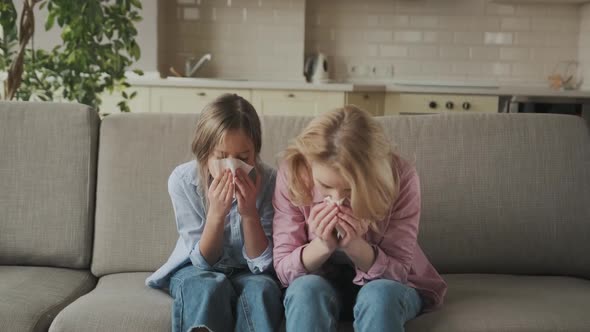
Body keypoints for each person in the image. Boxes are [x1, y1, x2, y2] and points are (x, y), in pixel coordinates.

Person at [272, 105, 447, 332]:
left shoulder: (401, 177)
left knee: (379, 295)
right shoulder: (293, 173)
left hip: (389, 286)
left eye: (349, 190)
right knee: (305, 290)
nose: (336, 200)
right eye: (325, 186)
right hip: (322, 284)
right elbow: (284, 270)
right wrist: (322, 245)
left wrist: (355, 245)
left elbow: (399, 271)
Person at [146, 94, 282, 332]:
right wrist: (216, 215)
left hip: (249, 272)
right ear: (204, 153)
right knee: (209, 287)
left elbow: (263, 263)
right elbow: (202, 262)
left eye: (243, 158)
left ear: (255, 152)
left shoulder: (270, 181)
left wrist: (249, 212)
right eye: (221, 157)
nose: (232, 167)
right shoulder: (184, 181)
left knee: (262, 290)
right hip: (197, 270)